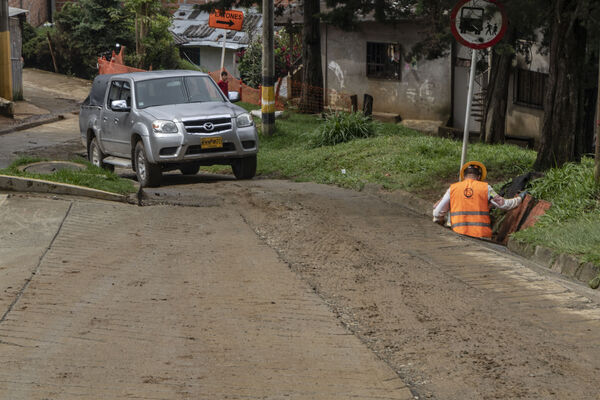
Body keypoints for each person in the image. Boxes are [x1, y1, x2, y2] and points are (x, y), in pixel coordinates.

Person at [433, 161, 527, 239]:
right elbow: (504, 204)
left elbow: (437, 213)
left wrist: (441, 220)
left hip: (457, 233)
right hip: (481, 236)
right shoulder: (486, 188)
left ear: (464, 176)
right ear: (479, 177)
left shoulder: (452, 189)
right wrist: (520, 198)